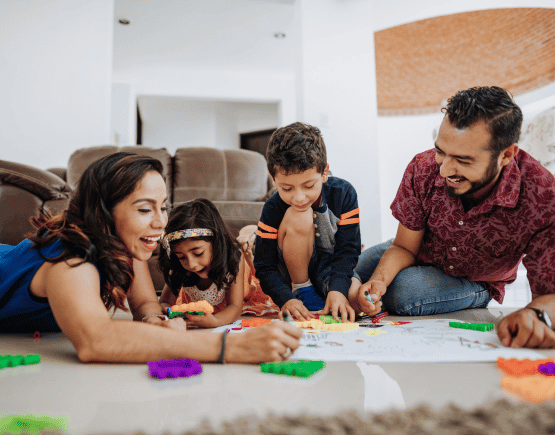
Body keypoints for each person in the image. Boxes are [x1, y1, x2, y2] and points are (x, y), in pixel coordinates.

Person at [0, 152, 302, 362]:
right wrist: (229, 346)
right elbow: (95, 341)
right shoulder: (71, 260)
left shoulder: (125, 246)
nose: (160, 223)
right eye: (145, 209)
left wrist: (156, 321)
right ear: (103, 214)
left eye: (163, 207)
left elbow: (144, 304)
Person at [349, 86, 555, 348]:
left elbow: (548, 295)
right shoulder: (423, 167)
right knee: (348, 269)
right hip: (421, 251)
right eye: (441, 152)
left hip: (476, 280)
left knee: (403, 292)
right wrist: (377, 282)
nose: (445, 170)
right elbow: (403, 246)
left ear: (506, 155)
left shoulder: (542, 194)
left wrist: (534, 315)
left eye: (463, 160)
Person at [254, 122, 361, 323]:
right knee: (300, 214)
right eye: (287, 189)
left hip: (329, 266)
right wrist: (286, 299)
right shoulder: (272, 208)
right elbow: (264, 264)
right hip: (290, 274)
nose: (299, 197)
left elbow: (348, 250)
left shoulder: (344, 194)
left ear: (324, 173)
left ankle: (325, 293)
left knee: (354, 300)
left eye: (309, 185)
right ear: (273, 179)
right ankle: (302, 289)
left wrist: (338, 290)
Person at [158, 199, 244, 328]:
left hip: (239, 301)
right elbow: (164, 302)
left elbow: (235, 306)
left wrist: (216, 321)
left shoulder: (234, 257)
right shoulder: (178, 267)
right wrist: (171, 313)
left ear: (216, 243)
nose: (191, 264)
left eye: (198, 253)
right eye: (181, 257)